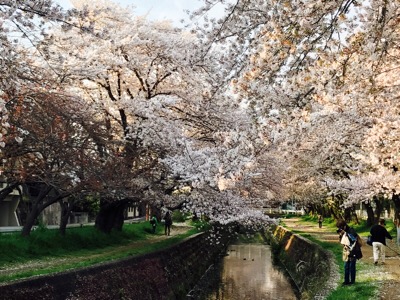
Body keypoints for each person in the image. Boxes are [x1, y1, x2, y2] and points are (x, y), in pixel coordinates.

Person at [336, 219, 362, 285]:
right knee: (346, 266)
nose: (340, 229)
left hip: (353, 250)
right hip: (346, 251)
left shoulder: (351, 230)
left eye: (341, 228)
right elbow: (341, 242)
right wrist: (340, 235)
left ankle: (352, 281)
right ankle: (346, 281)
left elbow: (354, 240)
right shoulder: (343, 232)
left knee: (352, 266)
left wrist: (346, 234)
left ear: (344, 226)